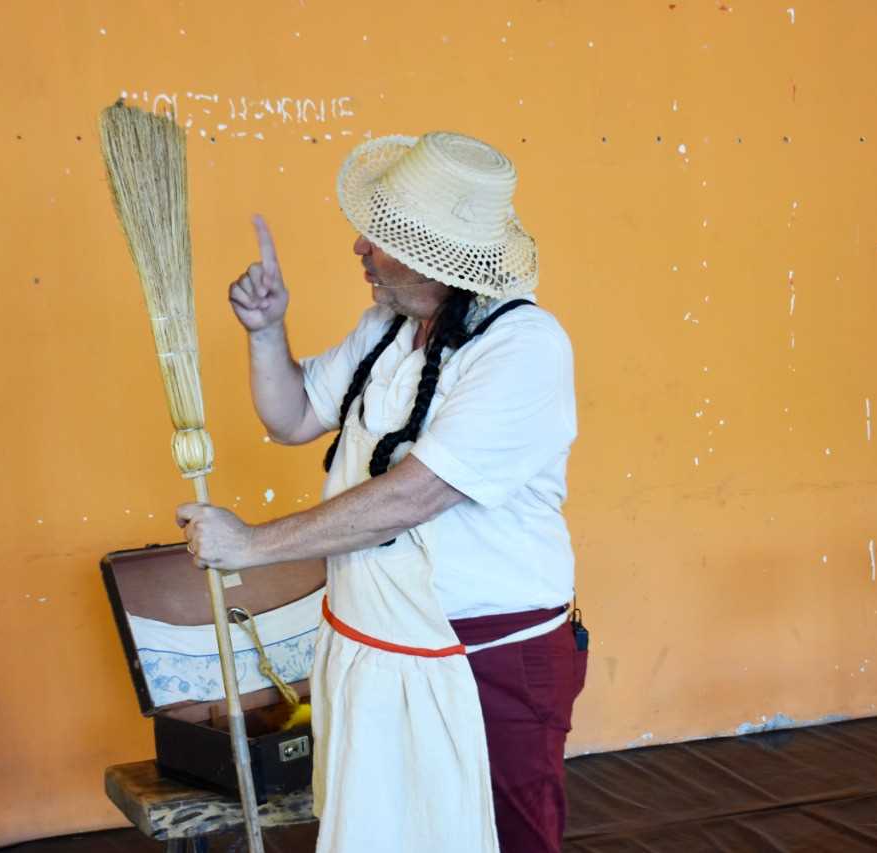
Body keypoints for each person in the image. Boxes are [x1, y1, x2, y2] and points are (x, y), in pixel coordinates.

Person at [176, 131, 584, 853]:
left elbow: (411, 497)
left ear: (436, 255)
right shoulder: (388, 332)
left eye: (382, 236)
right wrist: (267, 331)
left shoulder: (524, 347)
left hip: (486, 660)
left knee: (506, 839)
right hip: (374, 651)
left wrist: (252, 544)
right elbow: (295, 414)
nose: (360, 248)